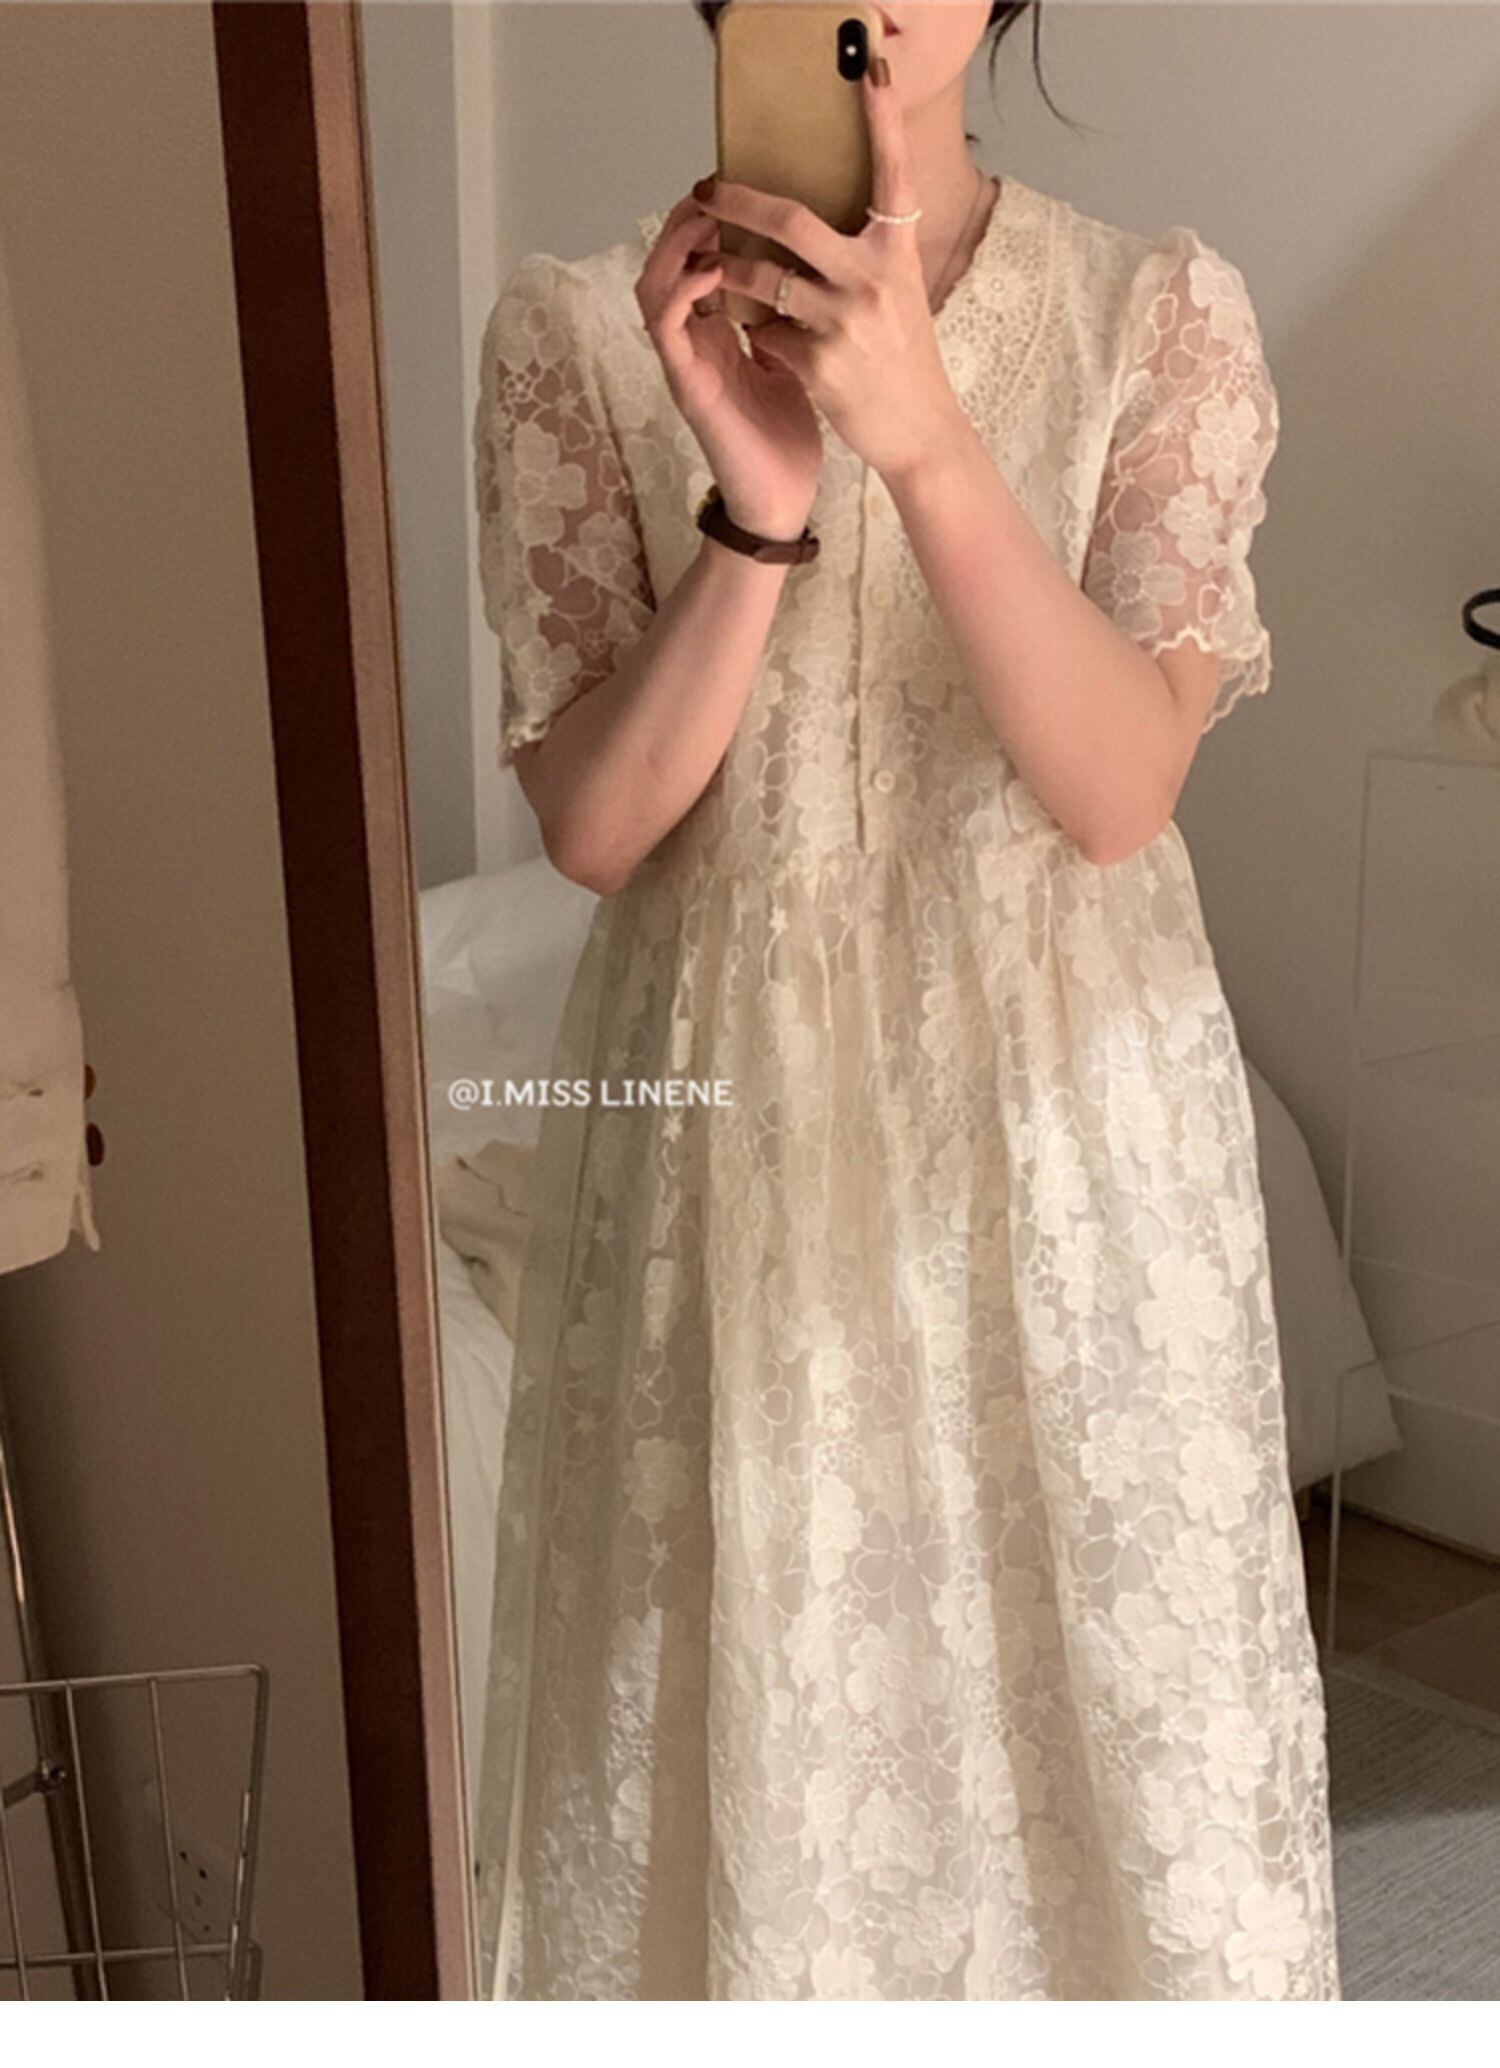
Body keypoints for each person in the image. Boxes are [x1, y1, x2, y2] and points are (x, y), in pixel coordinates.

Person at [470, 0, 1339, 2001]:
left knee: (1104, 1765)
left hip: (1062, 1138)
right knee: (751, 1749)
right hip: (734, 1135)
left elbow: (1115, 792)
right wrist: (759, 503)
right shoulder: (581, 330)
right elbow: (599, 826)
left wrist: (927, 434)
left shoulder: (1155, 313)